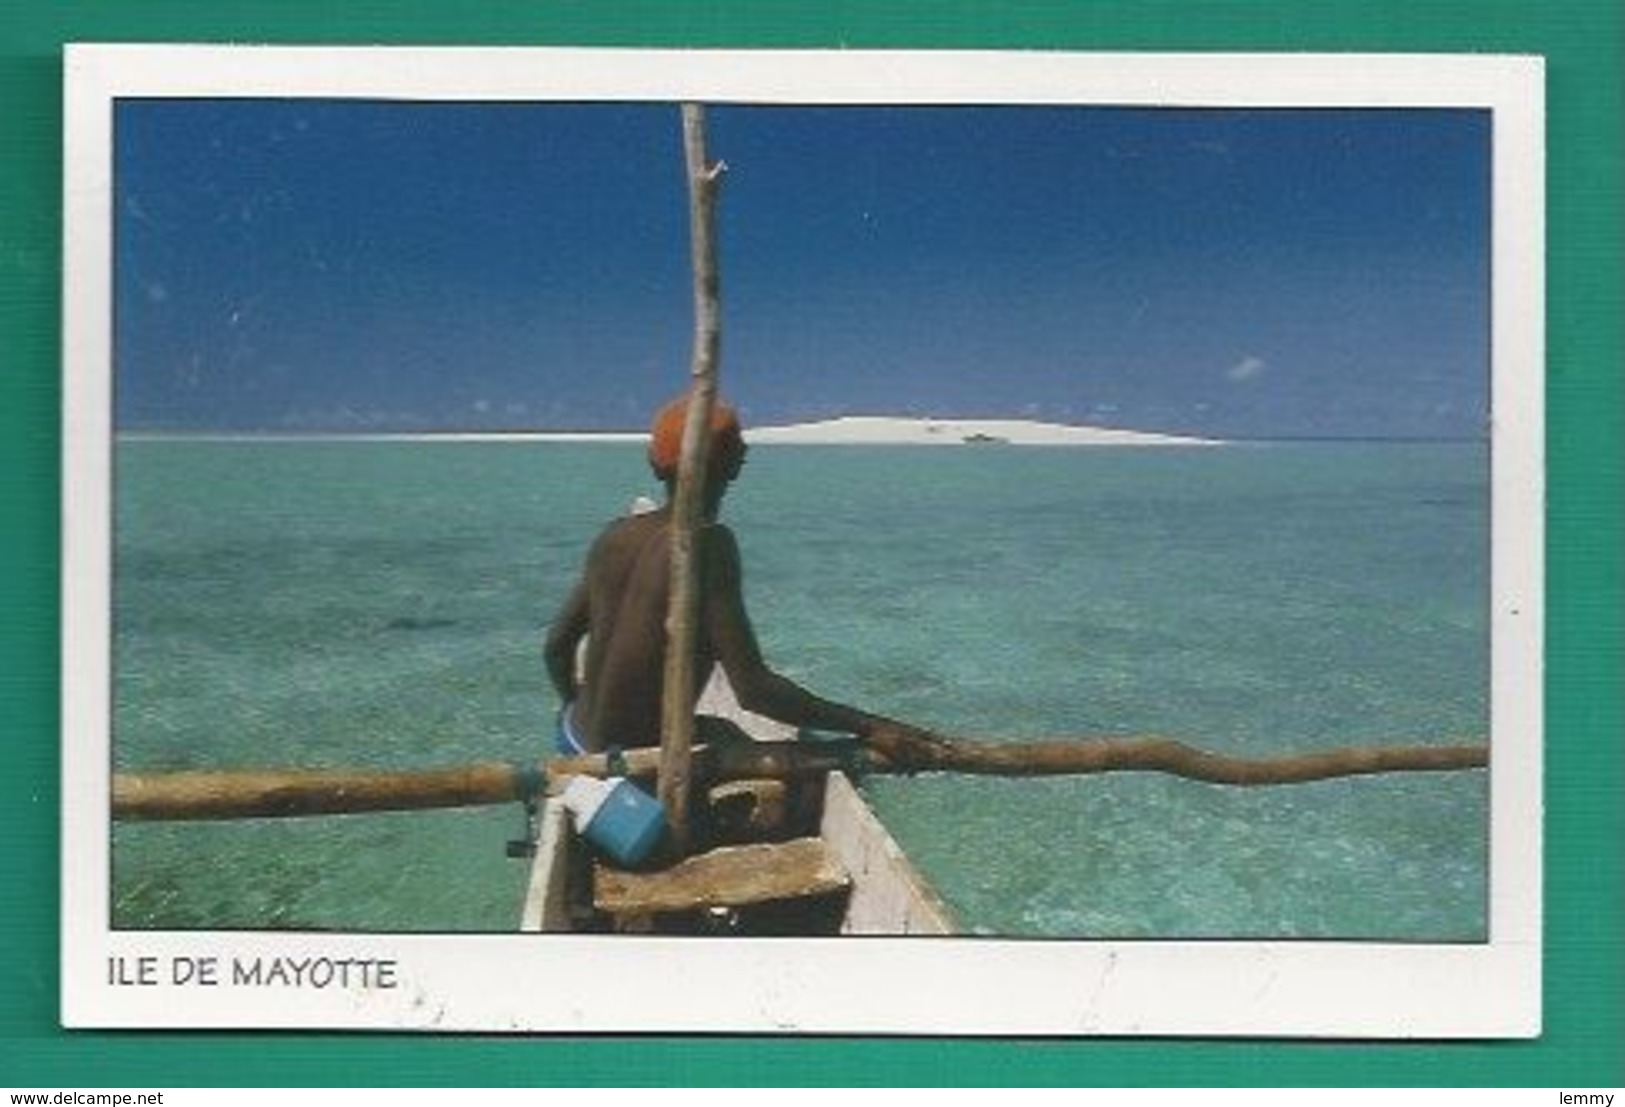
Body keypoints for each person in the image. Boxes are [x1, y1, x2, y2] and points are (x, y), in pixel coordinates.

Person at [544, 391, 944, 767]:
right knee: (805, 784)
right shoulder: (707, 545)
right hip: (641, 766)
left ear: (653, 463)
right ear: (738, 462)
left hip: (573, 739)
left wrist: (571, 703)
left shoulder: (613, 536)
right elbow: (753, 691)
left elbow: (556, 646)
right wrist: (870, 725)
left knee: (722, 730)